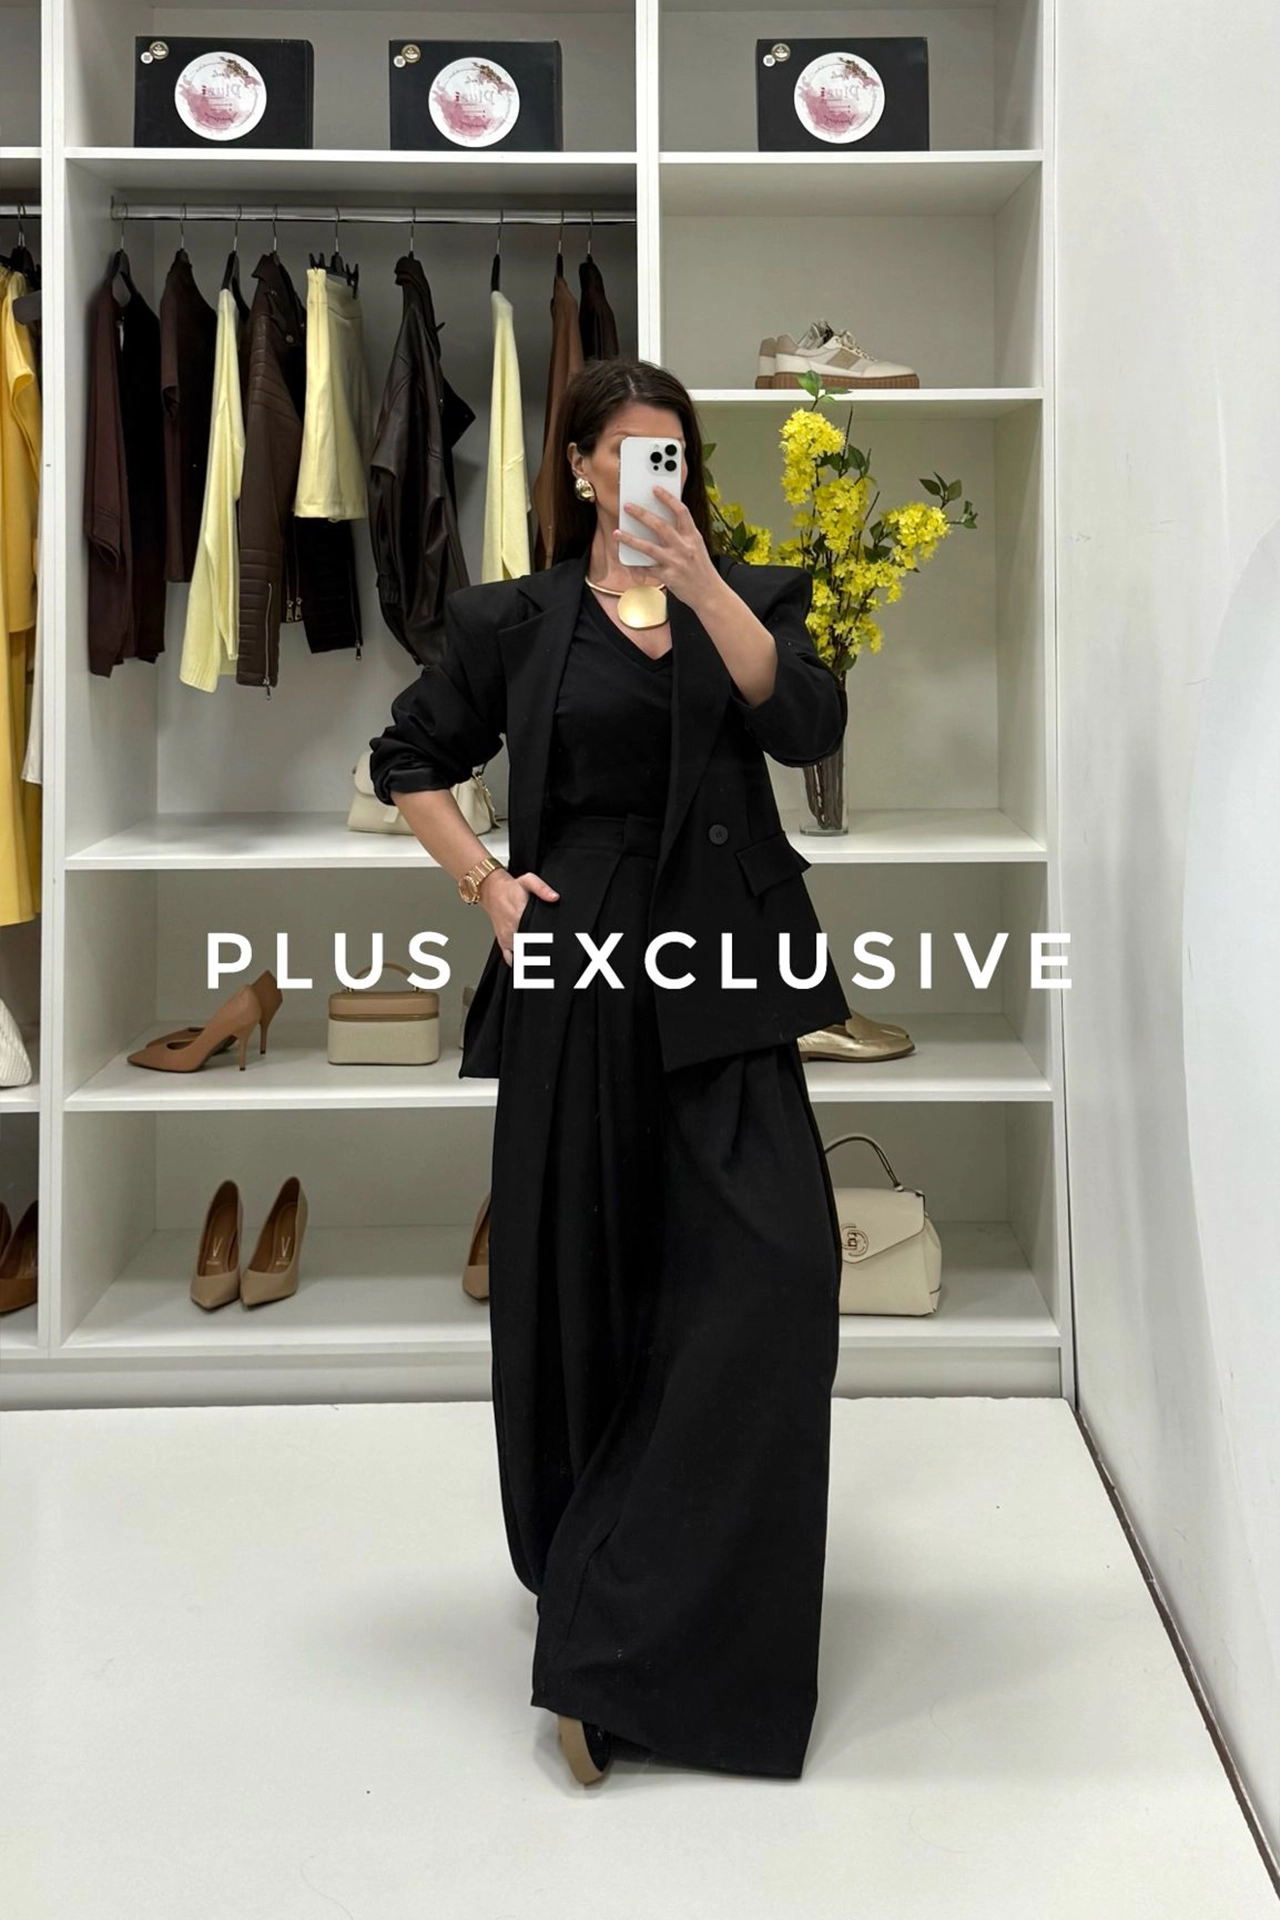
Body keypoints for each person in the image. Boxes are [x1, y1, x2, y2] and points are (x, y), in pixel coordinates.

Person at [369, 356, 853, 1787]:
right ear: (580, 465)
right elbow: (408, 755)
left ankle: (649, 1617)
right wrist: (486, 885)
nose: (655, 474)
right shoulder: (510, 619)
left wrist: (702, 582)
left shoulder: (748, 597)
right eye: (630, 452)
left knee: (778, 1275)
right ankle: (601, 1625)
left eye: (675, 454)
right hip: (578, 971)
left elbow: (806, 725)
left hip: (724, 971)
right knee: (590, 1286)